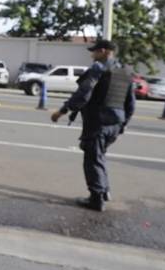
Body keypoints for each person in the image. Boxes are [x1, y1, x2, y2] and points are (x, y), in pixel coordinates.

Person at [50, 40, 135, 212]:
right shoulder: (126, 71)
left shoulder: (98, 69)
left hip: (98, 122)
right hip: (115, 124)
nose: (92, 55)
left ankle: (96, 199)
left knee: (92, 160)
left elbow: (83, 94)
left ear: (103, 51)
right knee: (99, 156)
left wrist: (62, 111)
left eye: (94, 51)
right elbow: (130, 103)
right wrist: (123, 124)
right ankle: (105, 191)